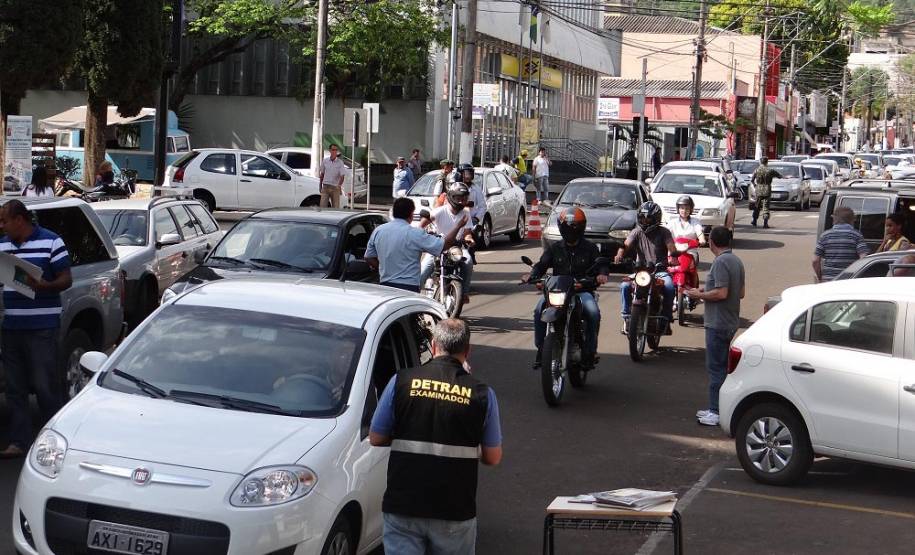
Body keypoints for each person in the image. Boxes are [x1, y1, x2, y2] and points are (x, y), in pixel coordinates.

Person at [370, 318, 502, 555]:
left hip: (404, 506)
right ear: (467, 351)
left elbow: (376, 437)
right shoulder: (482, 394)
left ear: (433, 345)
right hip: (454, 509)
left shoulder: (401, 381)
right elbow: (493, 457)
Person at [0, 200, 73, 458]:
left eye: (4, 221)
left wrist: (44, 286)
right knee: (15, 388)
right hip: (11, 326)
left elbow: (66, 279)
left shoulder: (52, 241)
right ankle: (19, 442)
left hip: (42, 327)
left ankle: (53, 444)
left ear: (19, 220)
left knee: (45, 386)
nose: (2, 226)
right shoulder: (3, 246)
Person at [523, 207, 609, 369]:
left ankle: (590, 352)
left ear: (581, 227)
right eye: (567, 226)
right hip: (558, 291)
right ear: (561, 227)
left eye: (574, 226)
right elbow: (541, 265)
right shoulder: (555, 248)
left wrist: (602, 274)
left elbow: (601, 264)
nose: (571, 230)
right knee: (539, 309)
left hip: (581, 291)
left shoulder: (590, 248)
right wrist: (532, 275)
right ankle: (542, 349)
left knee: (593, 313)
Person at [685, 226, 745, 427]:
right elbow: (740, 292)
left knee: (716, 368)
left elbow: (721, 293)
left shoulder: (720, 262)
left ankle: (716, 410)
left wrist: (699, 294)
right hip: (729, 320)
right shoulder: (736, 260)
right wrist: (706, 289)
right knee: (721, 366)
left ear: (711, 242)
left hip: (718, 322)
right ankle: (718, 408)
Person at [365, 197, 468, 292]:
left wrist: (382, 268)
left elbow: (368, 257)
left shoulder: (378, 231)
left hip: (385, 286)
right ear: (411, 214)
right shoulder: (415, 233)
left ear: (394, 213)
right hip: (409, 288)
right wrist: (458, 226)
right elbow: (445, 245)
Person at [614, 201, 677, 333]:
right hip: (641, 272)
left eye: (648, 218)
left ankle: (665, 319)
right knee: (624, 286)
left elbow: (671, 246)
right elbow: (626, 244)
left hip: (659, 271)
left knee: (670, 287)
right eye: (642, 218)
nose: (645, 221)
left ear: (656, 218)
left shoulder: (664, 232)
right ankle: (626, 317)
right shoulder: (637, 232)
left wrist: (674, 256)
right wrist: (619, 254)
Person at [420, 183, 476, 297]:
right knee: (423, 271)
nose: (461, 201)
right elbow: (421, 226)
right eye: (458, 198)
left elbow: (467, 233)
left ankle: (464, 293)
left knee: (468, 262)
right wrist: (421, 234)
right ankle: (412, 294)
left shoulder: (466, 213)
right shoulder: (440, 211)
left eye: (464, 198)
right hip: (438, 246)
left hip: (456, 248)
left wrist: (469, 239)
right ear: (451, 197)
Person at [812, 206, 870, 282]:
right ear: (852, 220)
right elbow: (863, 258)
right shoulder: (857, 235)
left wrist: (820, 277)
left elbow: (815, 261)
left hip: (828, 279)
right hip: (849, 279)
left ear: (834, 219)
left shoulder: (825, 235)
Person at [750, 157, 781, 228]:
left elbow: (752, 180)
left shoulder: (756, 170)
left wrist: (755, 186)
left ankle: (754, 221)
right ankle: (765, 223)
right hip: (767, 189)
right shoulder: (770, 170)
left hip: (758, 190)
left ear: (760, 162)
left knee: (757, 206)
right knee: (766, 207)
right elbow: (779, 176)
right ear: (767, 162)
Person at [319, 144, 347, 208]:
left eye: (336, 150)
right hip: (326, 186)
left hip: (335, 187)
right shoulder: (325, 161)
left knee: (335, 207)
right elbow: (322, 174)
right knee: (322, 206)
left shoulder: (340, 162)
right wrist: (320, 185)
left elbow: (342, 176)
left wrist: (339, 186)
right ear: (330, 150)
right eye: (333, 150)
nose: (335, 151)